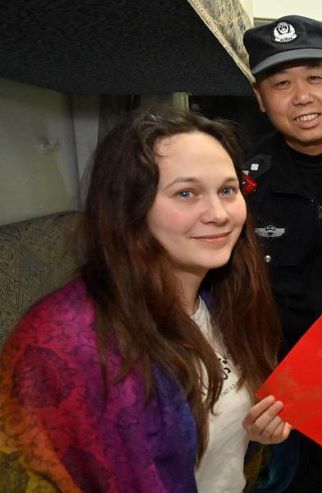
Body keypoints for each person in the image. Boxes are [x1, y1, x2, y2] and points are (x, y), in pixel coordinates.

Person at [0, 108, 291, 492]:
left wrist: (254, 435)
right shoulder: (60, 342)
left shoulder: (226, 304)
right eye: (186, 193)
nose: (219, 214)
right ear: (129, 207)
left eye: (227, 190)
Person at [241, 15, 322, 492]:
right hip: (281, 396)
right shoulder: (242, 185)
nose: (302, 96)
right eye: (281, 84)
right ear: (260, 98)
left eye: (314, 78)